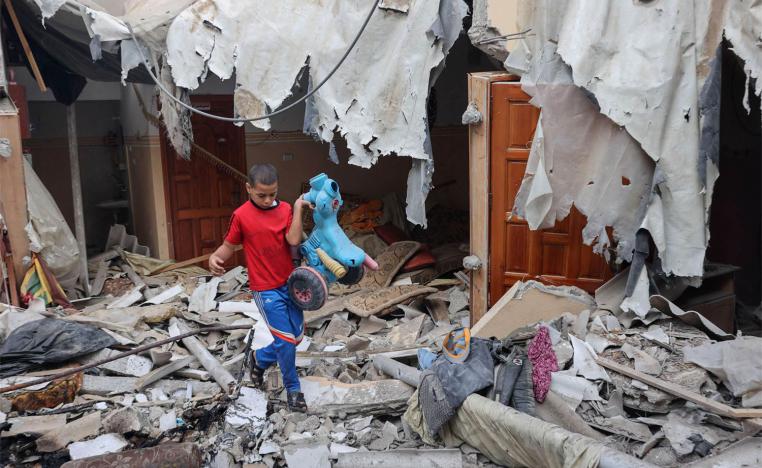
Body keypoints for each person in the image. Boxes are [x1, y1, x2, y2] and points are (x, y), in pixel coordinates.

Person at [209, 163, 311, 412]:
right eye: (261, 195)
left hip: (290, 285)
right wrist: (215, 257)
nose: (267, 200)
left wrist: (297, 208)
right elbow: (229, 246)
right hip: (264, 289)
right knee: (286, 341)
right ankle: (294, 391)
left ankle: (259, 358)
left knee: (296, 338)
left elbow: (294, 240)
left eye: (272, 194)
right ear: (248, 188)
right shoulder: (241, 216)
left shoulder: (286, 208)